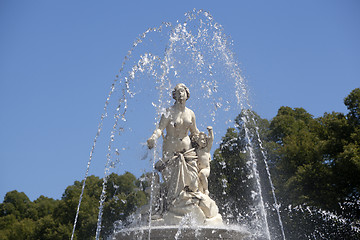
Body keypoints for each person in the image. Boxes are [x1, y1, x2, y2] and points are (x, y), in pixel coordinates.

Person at [147, 83, 200, 206]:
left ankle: (189, 204)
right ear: (174, 95)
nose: (180, 94)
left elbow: (195, 132)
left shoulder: (191, 113)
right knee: (172, 185)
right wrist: (153, 138)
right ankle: (172, 206)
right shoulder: (168, 112)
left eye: (183, 91)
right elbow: (160, 129)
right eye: (178, 92)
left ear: (187, 94)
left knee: (193, 181)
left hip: (187, 151)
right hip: (170, 150)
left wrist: (206, 140)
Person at [193, 126, 214, 195]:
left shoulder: (206, 149)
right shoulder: (195, 150)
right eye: (202, 139)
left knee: (202, 174)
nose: (204, 141)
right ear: (197, 141)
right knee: (195, 177)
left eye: (205, 140)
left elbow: (211, 140)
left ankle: (206, 190)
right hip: (197, 170)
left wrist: (210, 131)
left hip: (206, 169)